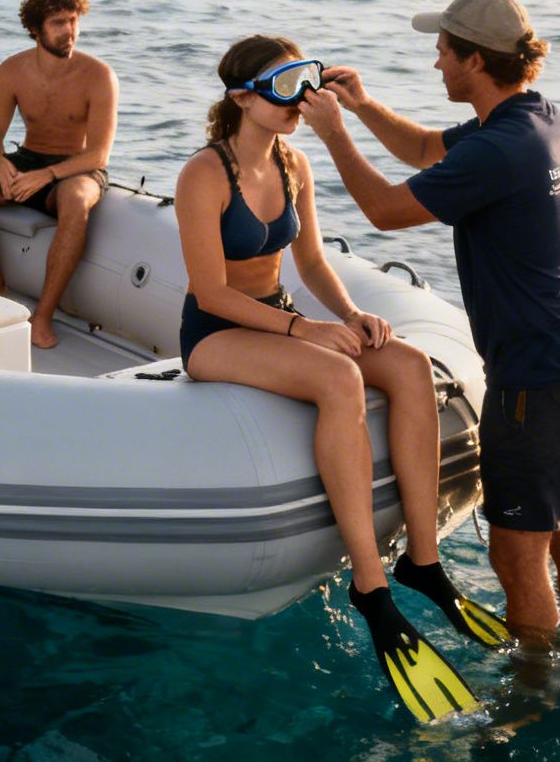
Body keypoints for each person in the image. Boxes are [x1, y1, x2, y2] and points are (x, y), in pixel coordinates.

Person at [176, 35, 488, 722]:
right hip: (220, 333)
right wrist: (305, 331)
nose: (299, 101)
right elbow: (209, 292)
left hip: (281, 319)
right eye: (283, 85)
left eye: (305, 80)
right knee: (338, 379)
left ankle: (424, 565)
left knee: (406, 364)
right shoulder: (204, 174)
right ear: (240, 99)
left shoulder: (292, 163)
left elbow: (312, 262)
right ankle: (371, 589)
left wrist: (352, 315)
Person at [297, 0, 560, 644]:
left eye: (444, 51)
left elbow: (384, 211)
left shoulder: (499, 151)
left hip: (533, 379)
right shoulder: (536, 119)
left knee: (516, 557)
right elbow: (423, 150)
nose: (436, 62)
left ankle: (533, 700)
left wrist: (333, 134)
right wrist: (362, 105)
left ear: (474, 59)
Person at [0, 0, 116, 349]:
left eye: (73, 21)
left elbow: (99, 155)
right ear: (36, 29)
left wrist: (48, 175)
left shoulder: (99, 76)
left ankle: (43, 316)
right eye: (58, 23)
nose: (69, 31)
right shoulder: (12, 71)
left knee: (76, 199)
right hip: (29, 158)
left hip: (77, 167)